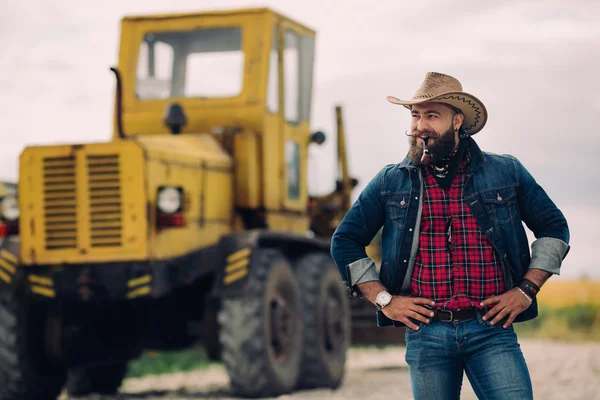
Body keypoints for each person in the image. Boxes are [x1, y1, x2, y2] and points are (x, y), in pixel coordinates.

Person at [330, 72, 570, 399]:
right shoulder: (390, 181)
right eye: (415, 115)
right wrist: (384, 301)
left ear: (457, 121)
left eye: (431, 115)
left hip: (491, 332)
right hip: (426, 334)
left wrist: (527, 290)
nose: (419, 126)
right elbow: (344, 241)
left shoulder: (506, 172)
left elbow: (554, 228)